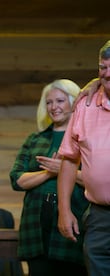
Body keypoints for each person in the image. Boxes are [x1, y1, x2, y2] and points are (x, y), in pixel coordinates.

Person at [9, 79, 89, 276]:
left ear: (73, 102)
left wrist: (65, 170)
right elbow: (17, 179)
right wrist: (48, 172)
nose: (54, 107)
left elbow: (97, 180)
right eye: (49, 102)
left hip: (74, 219)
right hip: (35, 224)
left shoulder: (84, 140)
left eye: (60, 101)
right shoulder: (35, 139)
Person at [58, 40, 110, 276]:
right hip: (100, 214)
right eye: (103, 67)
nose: (106, 74)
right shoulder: (85, 105)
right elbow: (69, 159)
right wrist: (64, 210)